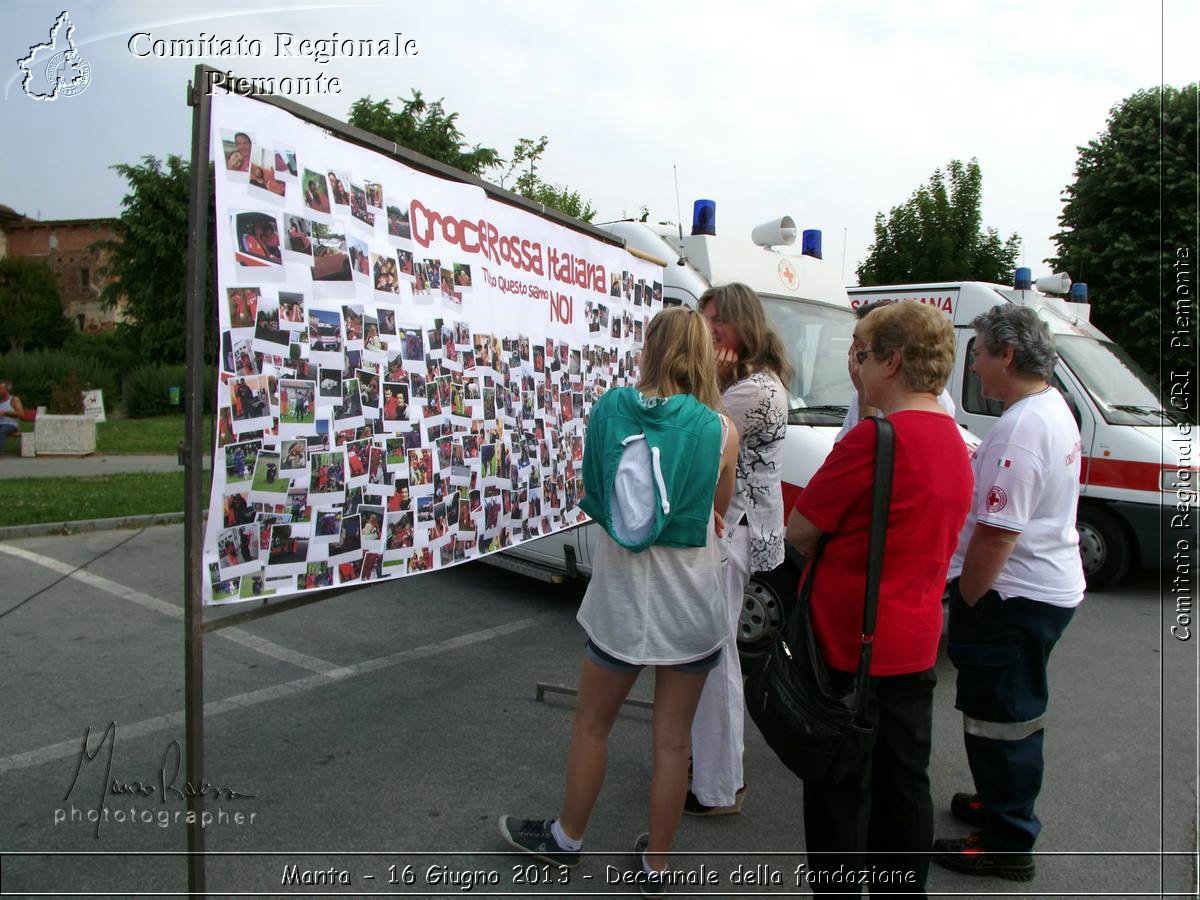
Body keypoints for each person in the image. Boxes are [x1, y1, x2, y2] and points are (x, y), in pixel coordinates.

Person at [500, 306, 739, 896]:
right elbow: (720, 510)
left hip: (620, 605)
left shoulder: (610, 409)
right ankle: (655, 866)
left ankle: (567, 838)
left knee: (591, 728)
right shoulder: (719, 428)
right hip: (692, 609)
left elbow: (597, 496)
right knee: (672, 742)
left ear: (651, 349)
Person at [785, 301, 973, 897]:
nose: (856, 367)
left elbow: (801, 531)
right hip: (915, 643)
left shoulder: (872, 441)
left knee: (840, 791)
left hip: (848, 648)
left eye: (861, 355)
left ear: (892, 361)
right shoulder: (958, 441)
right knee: (903, 786)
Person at [932, 306, 1085, 882]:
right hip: (1039, 589)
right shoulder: (1048, 408)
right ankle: (999, 802)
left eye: (979, 351)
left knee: (1003, 716)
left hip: (1012, 597)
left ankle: (1007, 838)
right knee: (1007, 709)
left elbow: (997, 534)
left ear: (1008, 356)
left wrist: (967, 600)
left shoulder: (1023, 427)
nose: (972, 361)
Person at [688, 283, 792, 817]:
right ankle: (714, 769)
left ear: (741, 324)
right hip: (742, 527)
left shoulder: (752, 392)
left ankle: (719, 783)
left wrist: (706, 375)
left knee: (717, 652)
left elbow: (701, 435)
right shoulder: (756, 383)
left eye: (716, 321)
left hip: (734, 530)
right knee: (716, 648)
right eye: (704, 320)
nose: (708, 330)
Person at [836, 301, 958, 443]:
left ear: (890, 360)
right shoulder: (937, 418)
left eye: (862, 349)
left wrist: (864, 398)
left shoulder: (932, 404)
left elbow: (862, 453)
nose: (853, 355)